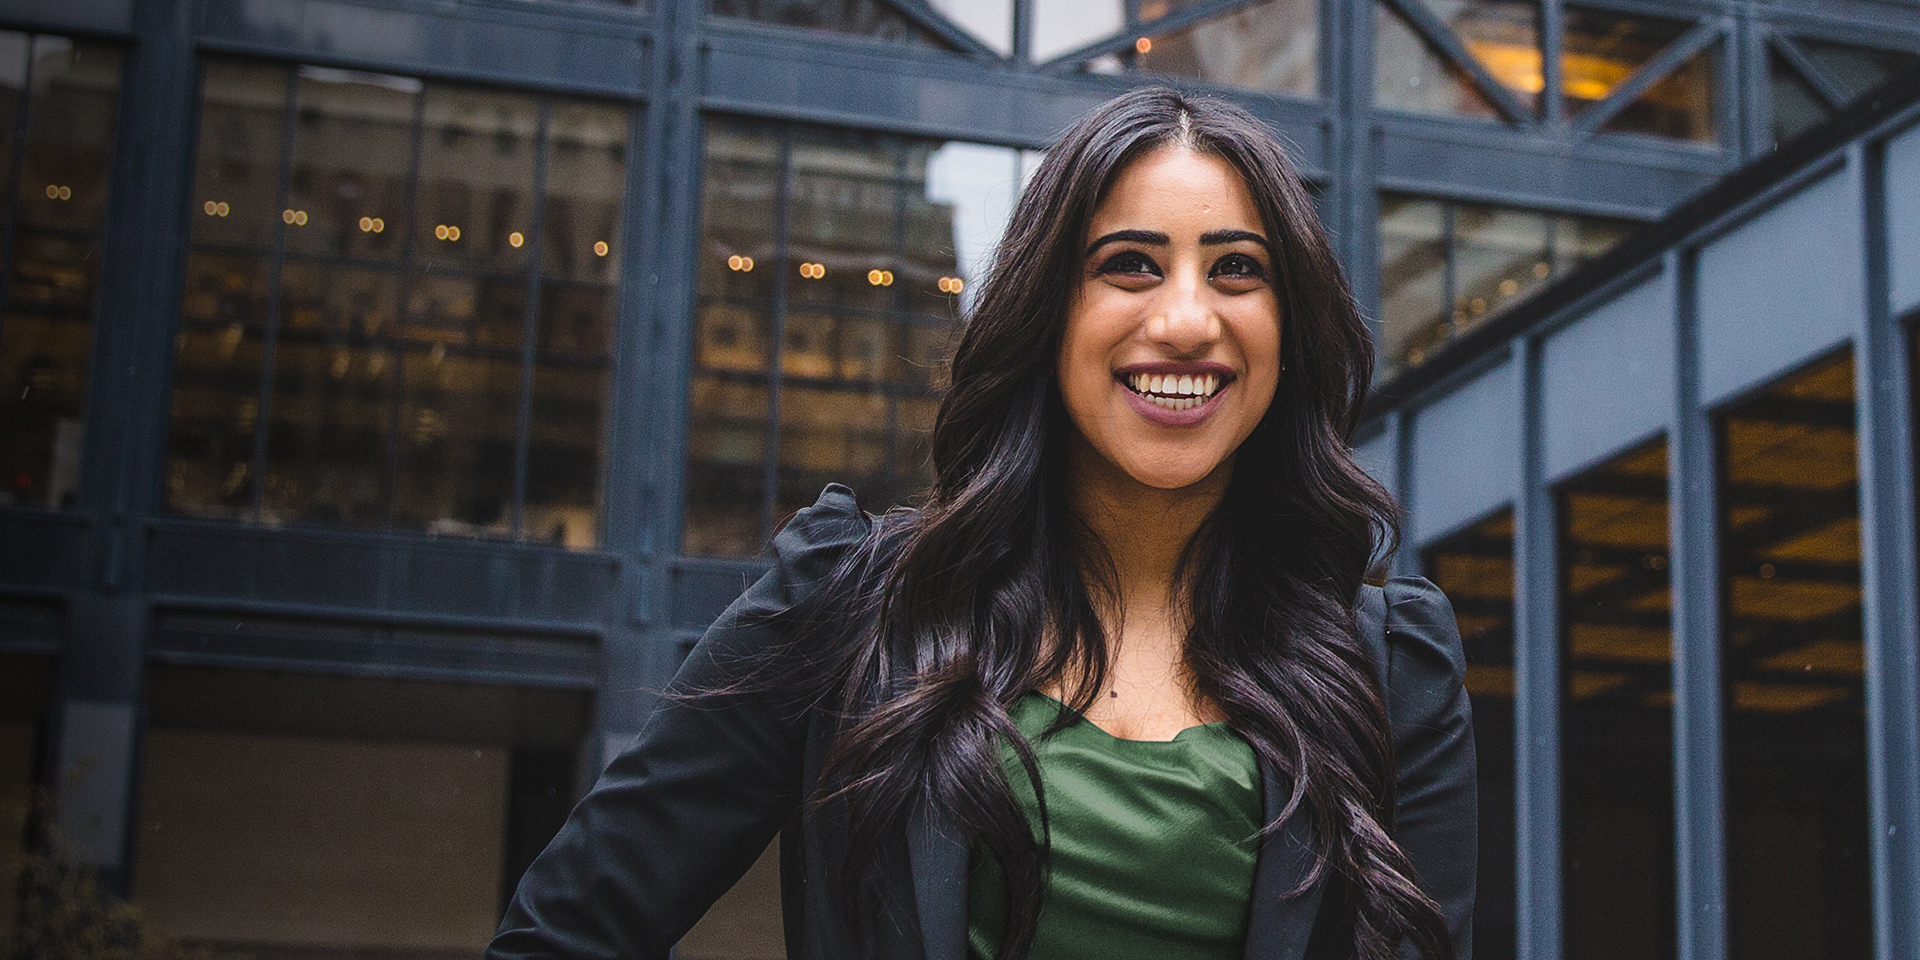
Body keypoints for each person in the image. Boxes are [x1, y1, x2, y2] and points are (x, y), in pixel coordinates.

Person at [489, 87, 1475, 960]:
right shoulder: (848, 606)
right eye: (1129, 264)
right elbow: (567, 933)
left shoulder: (1391, 671)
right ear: (1046, 314)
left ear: (1290, 332)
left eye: (1237, 271)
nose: (1185, 319)